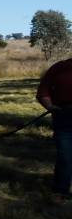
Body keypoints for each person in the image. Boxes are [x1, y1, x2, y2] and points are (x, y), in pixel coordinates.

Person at [37, 56, 72, 200]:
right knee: (65, 155)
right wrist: (50, 107)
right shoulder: (59, 68)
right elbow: (43, 92)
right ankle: (61, 191)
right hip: (64, 116)